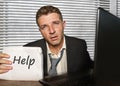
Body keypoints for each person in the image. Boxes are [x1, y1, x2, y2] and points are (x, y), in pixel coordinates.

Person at [0, 5, 93, 79]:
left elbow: (92, 68)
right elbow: (15, 73)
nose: (51, 31)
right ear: (40, 30)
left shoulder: (79, 45)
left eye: (55, 23)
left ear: (63, 25)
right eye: (44, 27)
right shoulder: (29, 50)